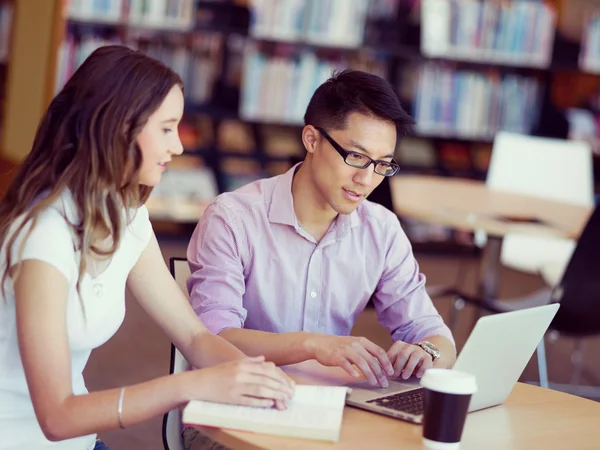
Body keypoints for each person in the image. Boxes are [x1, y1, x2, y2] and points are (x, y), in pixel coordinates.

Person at [0, 45, 294, 450]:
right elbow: (57, 415)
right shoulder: (44, 236)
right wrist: (191, 383)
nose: (178, 146)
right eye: (167, 128)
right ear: (120, 126)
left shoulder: (125, 212)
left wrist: (257, 377)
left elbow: (192, 336)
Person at [185, 69, 456, 448]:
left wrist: (424, 352)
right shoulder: (233, 218)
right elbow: (214, 340)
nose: (368, 180)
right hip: (233, 412)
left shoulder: (381, 229)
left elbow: (436, 337)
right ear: (311, 139)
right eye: (357, 157)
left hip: (330, 412)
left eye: (383, 164)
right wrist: (313, 345)